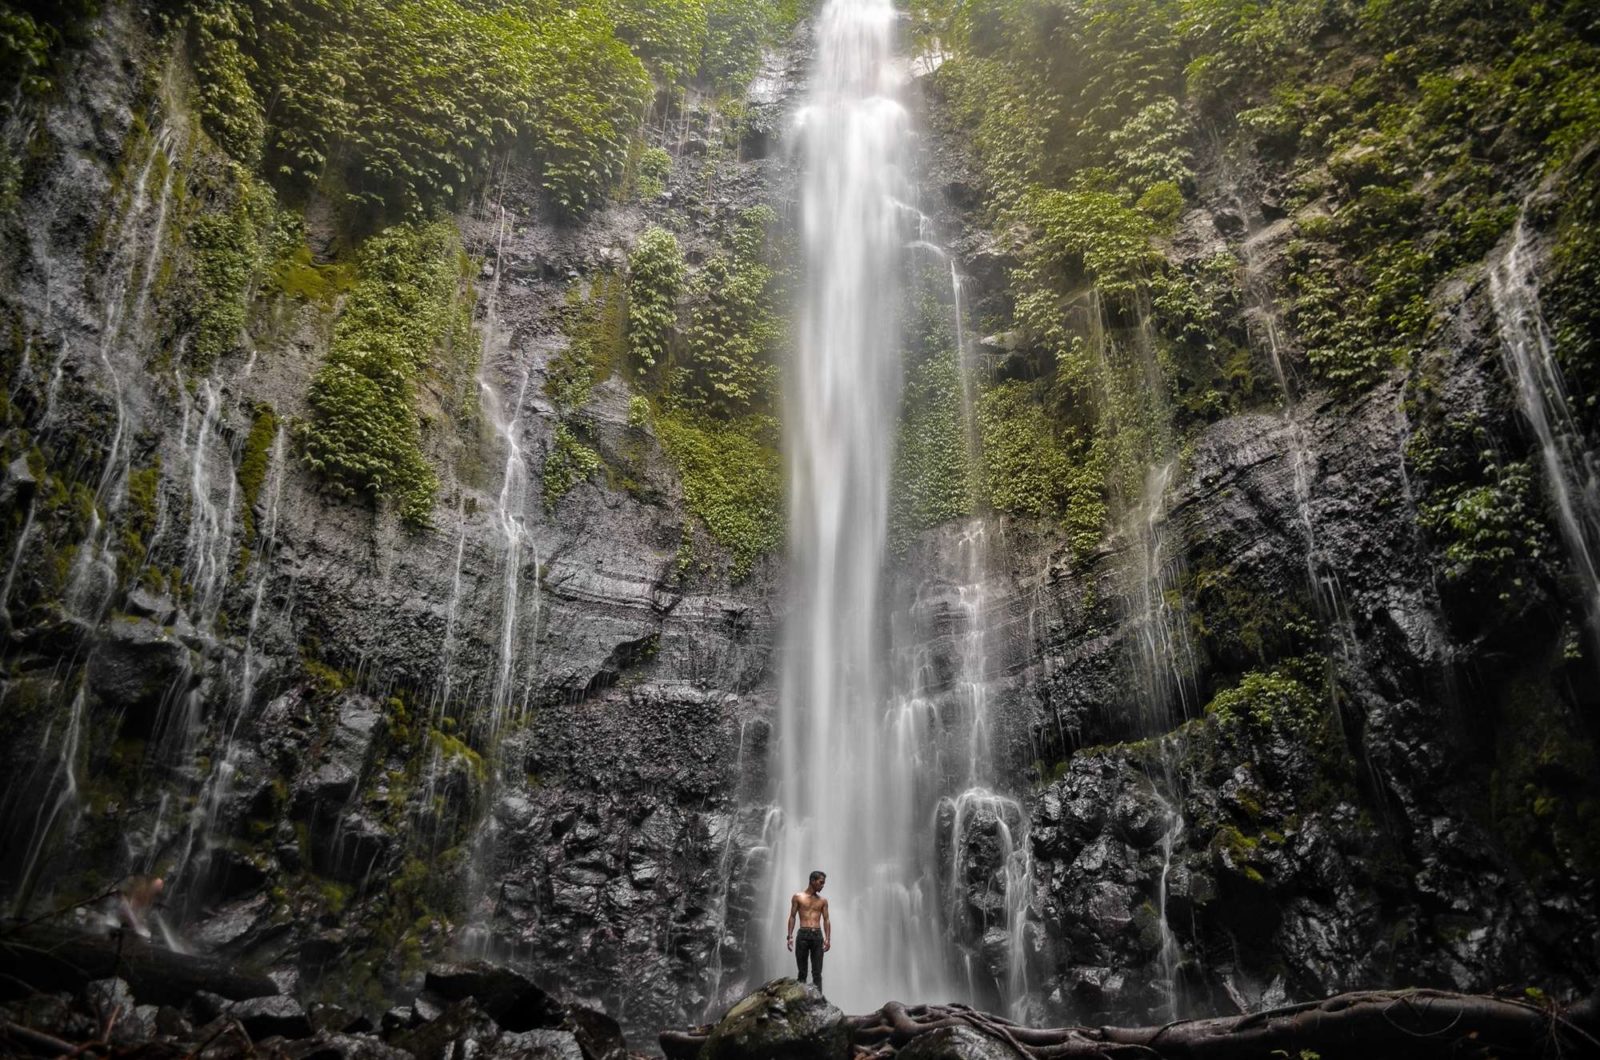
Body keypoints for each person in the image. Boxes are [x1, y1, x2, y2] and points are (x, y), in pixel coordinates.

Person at [785, 870, 830, 992]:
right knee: (802, 972)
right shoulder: (798, 897)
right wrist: (789, 936)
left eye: (823, 883)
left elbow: (826, 920)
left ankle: (819, 1003)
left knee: (817, 973)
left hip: (817, 935)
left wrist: (827, 939)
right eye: (821, 882)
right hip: (803, 935)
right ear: (812, 881)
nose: (822, 885)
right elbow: (792, 916)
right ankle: (801, 1002)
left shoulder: (823, 901)